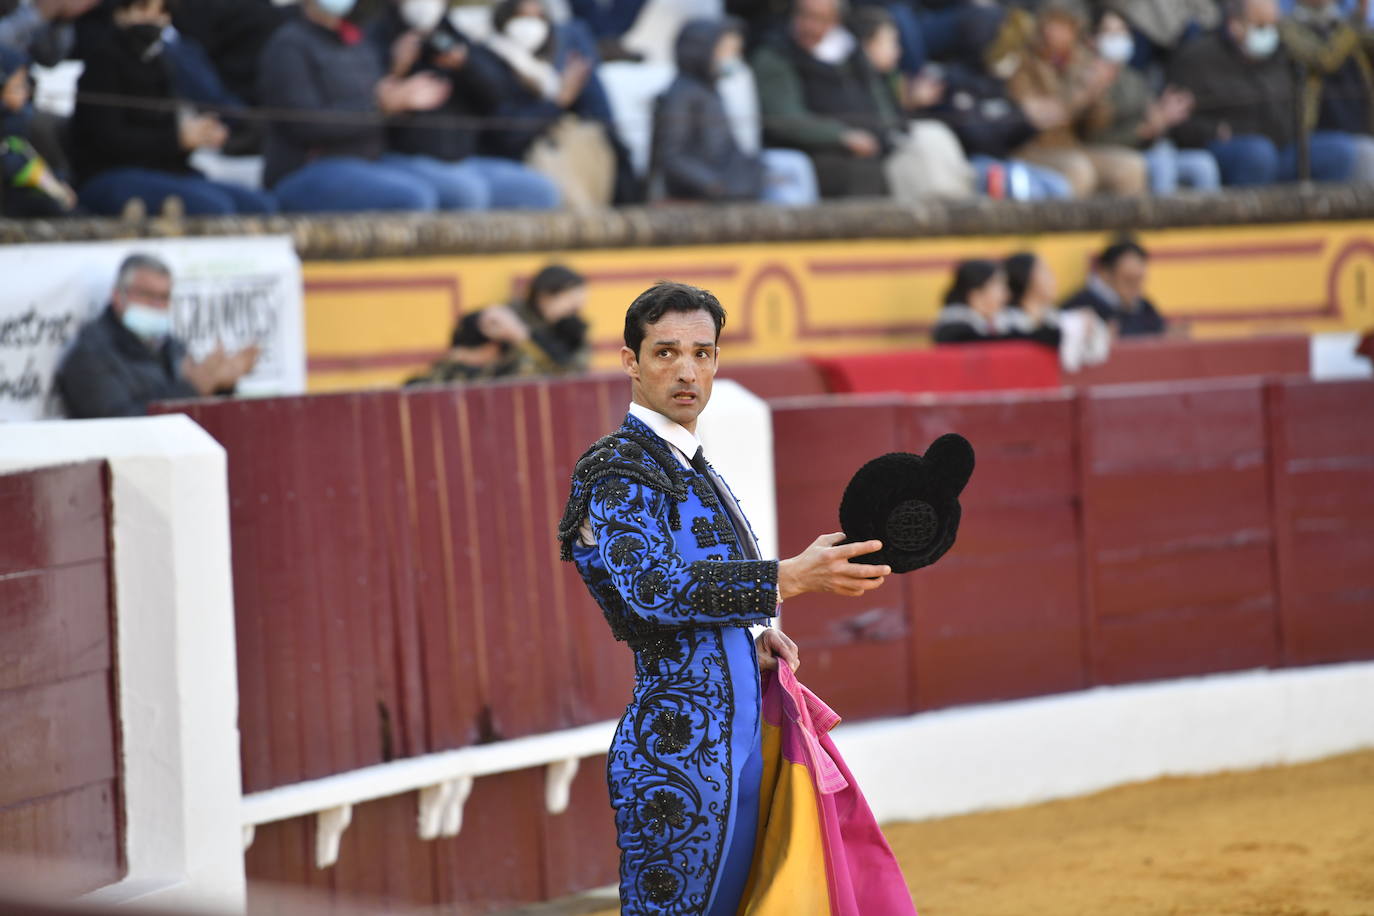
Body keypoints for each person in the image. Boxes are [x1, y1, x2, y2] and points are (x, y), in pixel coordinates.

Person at [558, 281, 894, 915]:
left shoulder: (688, 464)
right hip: (677, 753)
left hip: (734, 738)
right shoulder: (614, 470)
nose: (686, 370)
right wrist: (787, 577)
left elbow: (692, 600)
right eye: (665, 353)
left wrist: (748, 641)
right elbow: (652, 591)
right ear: (631, 361)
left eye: (702, 353)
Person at [258, 0, 498, 213]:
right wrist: (379, 105)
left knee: (459, 193)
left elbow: (381, 101)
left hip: (370, 161)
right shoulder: (289, 44)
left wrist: (400, 82)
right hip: (308, 168)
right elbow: (304, 124)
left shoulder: (356, 42)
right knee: (412, 198)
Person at [70, 0, 278, 216]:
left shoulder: (162, 62)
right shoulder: (101, 60)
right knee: (214, 207)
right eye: (143, 9)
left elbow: (169, 133)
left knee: (260, 205)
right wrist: (177, 139)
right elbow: (108, 139)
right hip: (109, 175)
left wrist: (200, 136)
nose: (153, 19)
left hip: (165, 172)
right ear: (120, 13)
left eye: (161, 11)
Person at [1168, 0, 1357, 186]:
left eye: (1274, 26)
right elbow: (1177, 121)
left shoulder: (1280, 55)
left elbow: (1293, 112)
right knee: (1259, 154)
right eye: (1261, 26)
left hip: (1281, 149)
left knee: (1341, 151)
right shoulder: (1198, 58)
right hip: (1229, 150)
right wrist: (1214, 131)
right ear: (1235, 25)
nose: (1269, 33)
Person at [57, 253, 259, 418]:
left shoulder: (171, 346)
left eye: (164, 297)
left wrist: (221, 386)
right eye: (147, 295)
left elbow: (200, 411)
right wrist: (193, 388)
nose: (157, 304)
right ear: (118, 296)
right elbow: (120, 425)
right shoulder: (90, 356)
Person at [649, 17, 817, 205]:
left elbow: (728, 147)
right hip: (712, 183)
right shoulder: (682, 96)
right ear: (704, 51)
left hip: (728, 174)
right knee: (788, 176)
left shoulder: (710, 90)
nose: (734, 59)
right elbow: (673, 157)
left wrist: (755, 170)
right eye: (728, 52)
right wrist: (714, 185)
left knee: (792, 165)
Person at [751, 0, 897, 198]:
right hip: (809, 152)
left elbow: (879, 99)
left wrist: (884, 132)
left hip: (871, 144)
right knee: (859, 171)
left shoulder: (851, 51)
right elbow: (786, 120)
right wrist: (841, 136)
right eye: (804, 15)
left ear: (835, 21)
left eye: (820, 19)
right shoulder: (776, 54)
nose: (810, 26)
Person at [1004, 0, 1148, 198]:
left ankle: (1122, 229)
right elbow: (1041, 117)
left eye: (1066, 25)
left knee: (1131, 166)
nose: (1058, 32)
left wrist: (1099, 95)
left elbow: (1097, 126)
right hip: (1032, 148)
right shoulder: (1024, 63)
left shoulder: (1079, 59)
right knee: (1078, 169)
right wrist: (1083, 94)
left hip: (1070, 145)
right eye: (1054, 24)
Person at [1084, 9, 1221, 194]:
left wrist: (1161, 118)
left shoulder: (1131, 76)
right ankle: (1164, 222)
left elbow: (1152, 117)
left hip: (1147, 148)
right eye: (1111, 33)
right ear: (1091, 40)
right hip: (1111, 151)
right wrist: (1142, 132)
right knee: (1162, 163)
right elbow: (1089, 133)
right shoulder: (1085, 77)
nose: (1119, 39)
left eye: (1123, 32)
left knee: (1203, 164)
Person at [1280, 0, 1374, 182]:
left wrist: (1359, 22)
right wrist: (1354, 23)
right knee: (1366, 156)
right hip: (1318, 131)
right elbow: (1324, 58)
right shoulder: (1287, 26)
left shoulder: (1343, 23)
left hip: (1360, 124)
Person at [934, 258, 1057, 344]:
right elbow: (984, 342)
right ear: (976, 296)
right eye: (998, 287)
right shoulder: (953, 327)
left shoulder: (995, 323)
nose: (1006, 296)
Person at [1061, 238, 1167, 337]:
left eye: (1139, 280)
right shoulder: (1081, 305)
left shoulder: (1145, 307)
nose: (1135, 288)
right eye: (1128, 280)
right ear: (1105, 274)